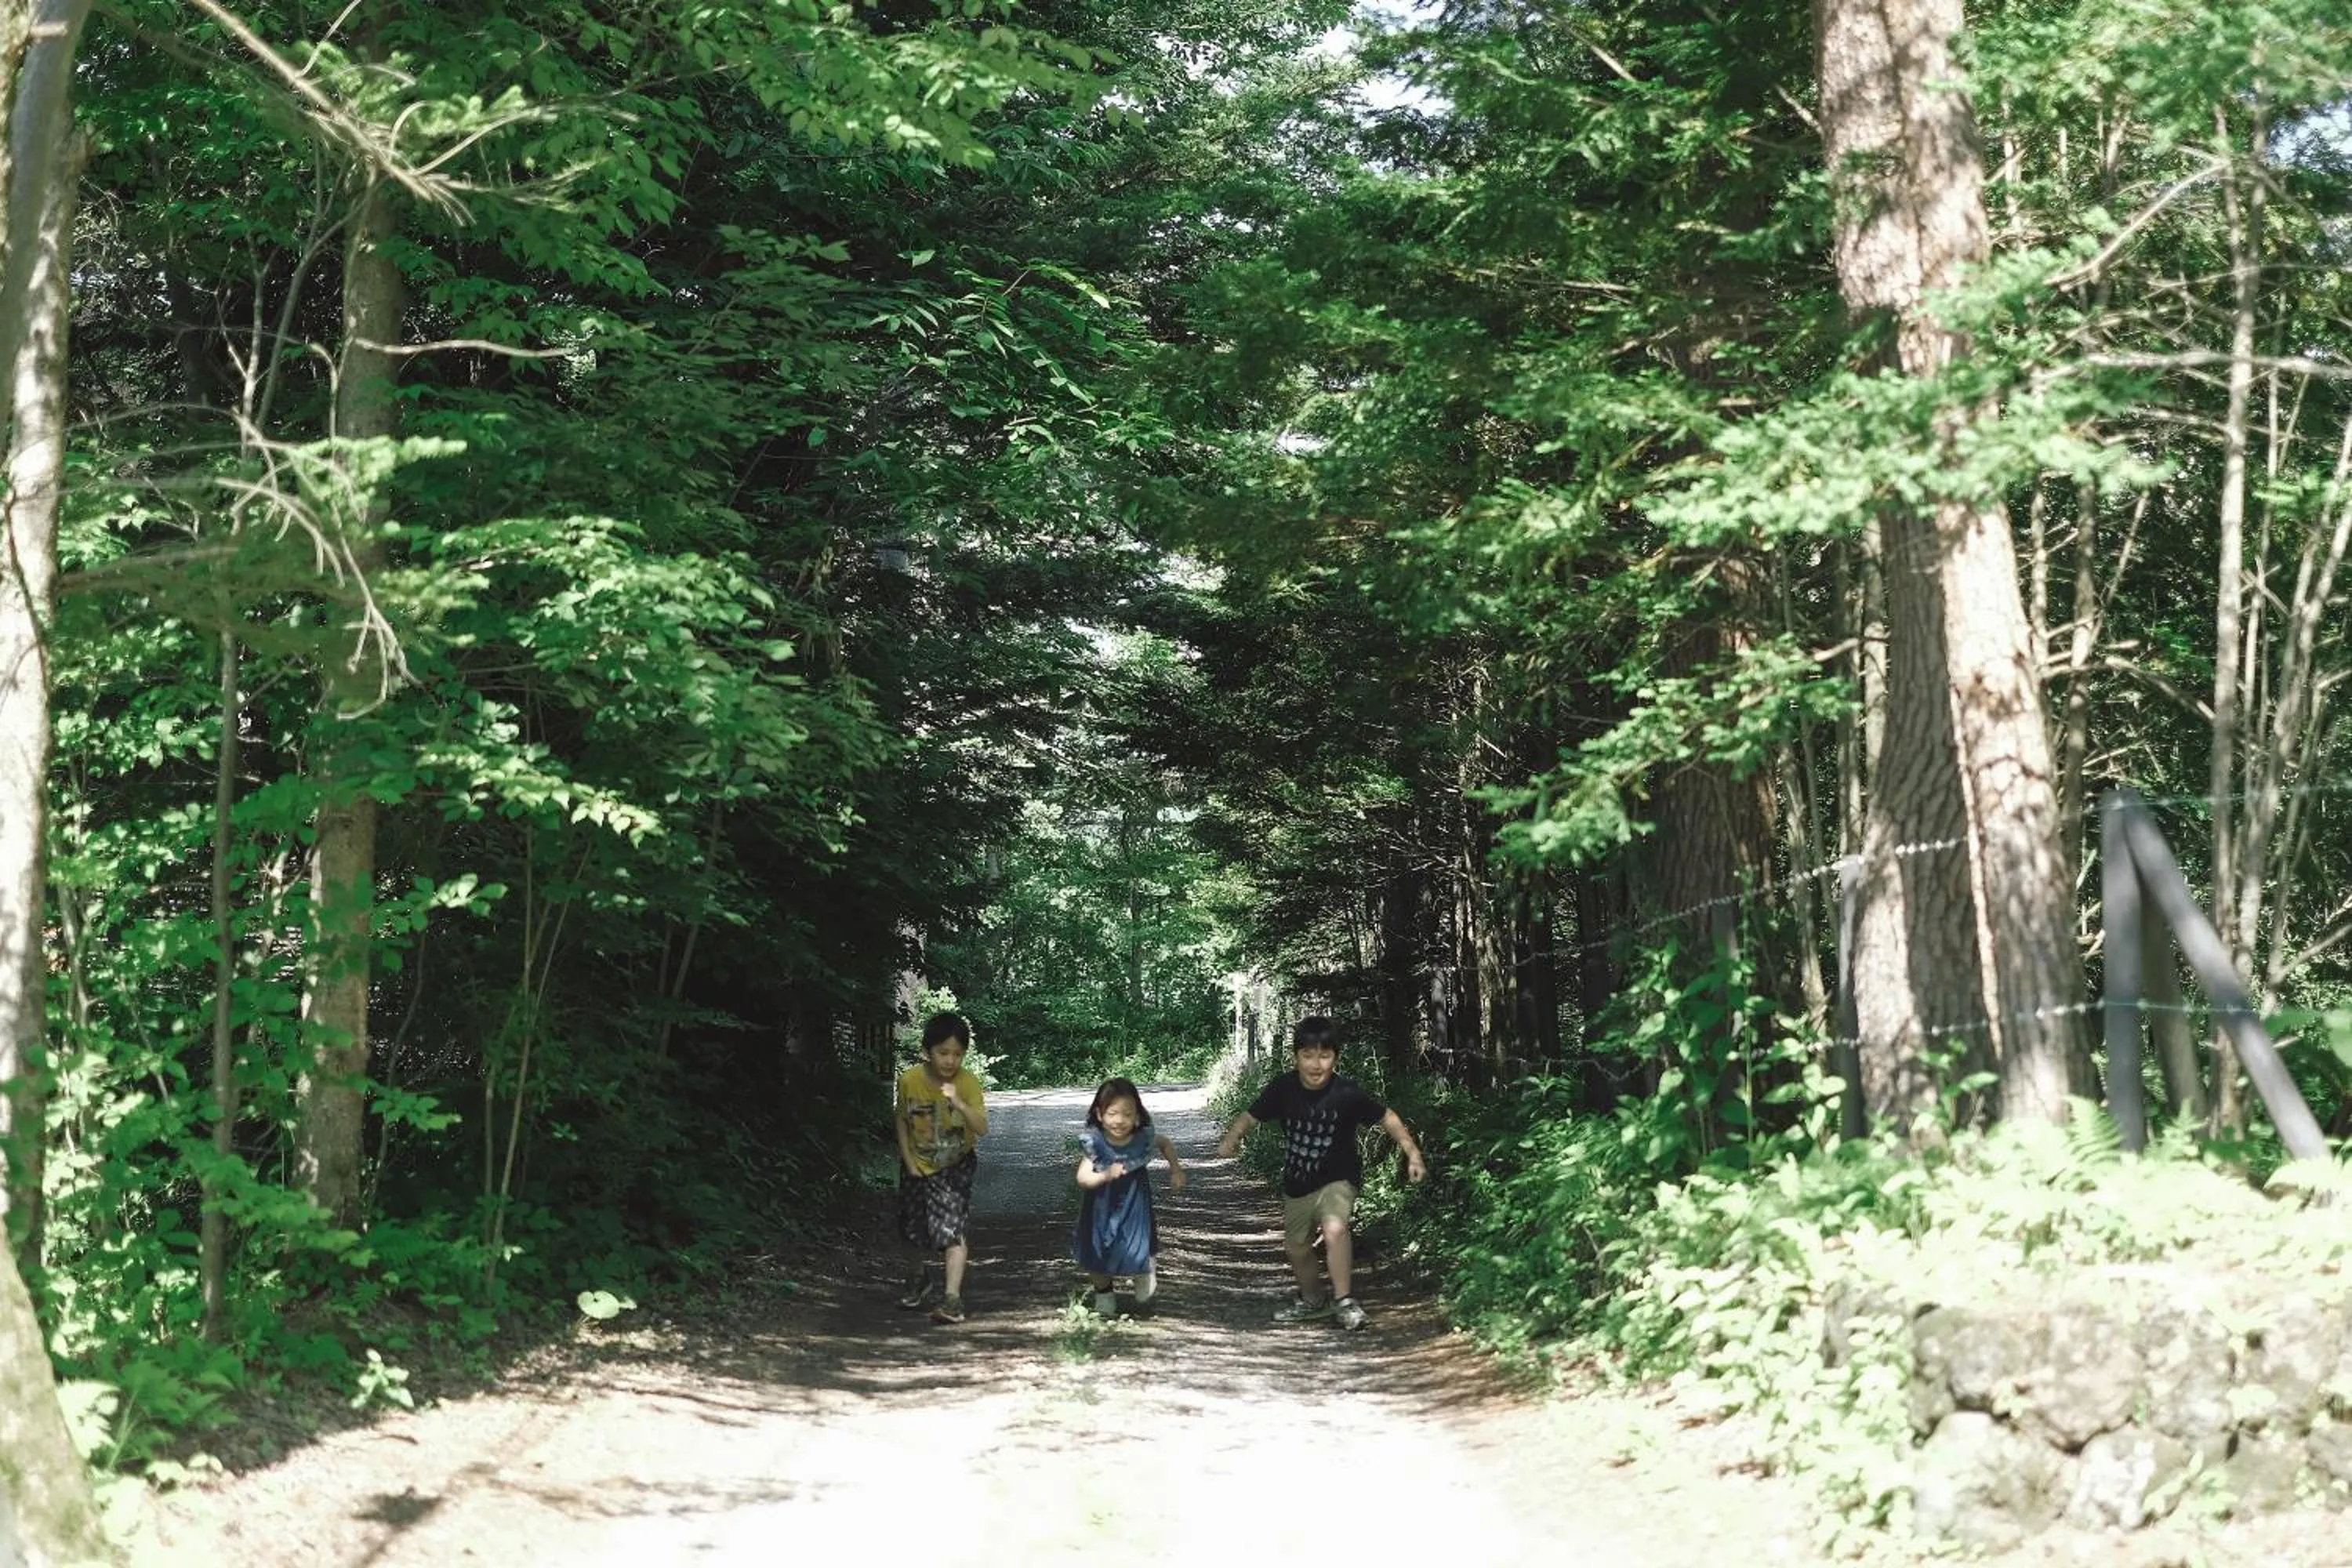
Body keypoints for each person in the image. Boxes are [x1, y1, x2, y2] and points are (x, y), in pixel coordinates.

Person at [1214, 1015, 1426, 1330]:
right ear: (1296, 1057)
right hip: (1298, 1182)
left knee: (1335, 1228)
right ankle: (1314, 1301)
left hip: (1339, 1178)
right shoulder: (1283, 1089)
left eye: (1325, 1056)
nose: (1316, 1064)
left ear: (1336, 1058)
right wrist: (1232, 1138)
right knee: (1295, 1246)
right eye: (1308, 1055)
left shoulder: (1346, 1093)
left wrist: (1413, 1153)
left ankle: (1345, 1301)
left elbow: (1387, 1117)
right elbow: (1251, 1116)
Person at [894, 1011, 988, 1324]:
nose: (950, 1060)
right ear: (927, 1051)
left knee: (951, 1229)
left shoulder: (967, 1082)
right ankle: (918, 1278)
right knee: (911, 1228)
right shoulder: (909, 1081)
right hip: (917, 1163)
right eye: (943, 1052)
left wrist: (959, 1103)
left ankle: (952, 1298)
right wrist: (909, 1161)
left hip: (955, 1165)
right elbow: (902, 1120)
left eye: (958, 1054)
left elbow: (982, 1128)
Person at [1072, 1077, 1186, 1317]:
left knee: (1138, 1244)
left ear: (1137, 1116)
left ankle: (1144, 1273)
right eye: (1112, 1113)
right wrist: (1104, 1175)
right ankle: (1104, 1294)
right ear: (1099, 1114)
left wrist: (1176, 1170)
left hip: (1135, 1206)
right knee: (1096, 1251)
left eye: (1127, 1114)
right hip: (1099, 1210)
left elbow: (1165, 1144)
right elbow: (1082, 1178)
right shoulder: (1095, 1142)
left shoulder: (1141, 1139)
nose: (1120, 1120)